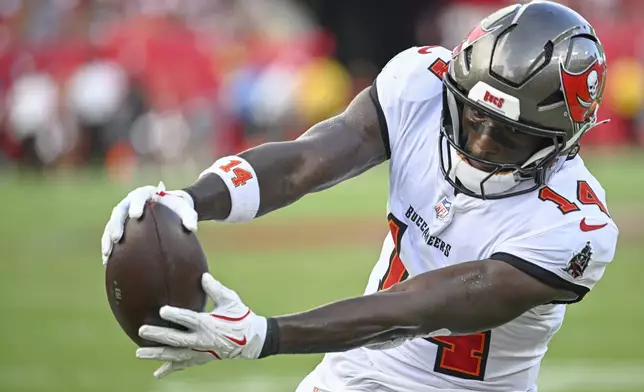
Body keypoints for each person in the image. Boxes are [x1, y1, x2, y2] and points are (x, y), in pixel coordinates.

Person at [100, 2, 619, 391]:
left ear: (563, 139)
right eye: (473, 116)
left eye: (510, 134)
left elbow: (419, 306)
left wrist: (266, 334)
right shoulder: (424, 82)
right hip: (352, 373)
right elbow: (306, 162)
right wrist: (191, 200)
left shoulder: (574, 227)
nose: (479, 146)